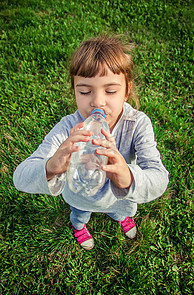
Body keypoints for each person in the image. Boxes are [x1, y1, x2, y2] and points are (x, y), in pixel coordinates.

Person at [13, 35, 169, 250]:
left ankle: (121, 217)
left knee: (119, 209)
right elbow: (20, 177)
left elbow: (159, 178)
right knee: (79, 214)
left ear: (127, 91)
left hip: (119, 198)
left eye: (111, 91)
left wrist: (127, 175)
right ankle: (79, 226)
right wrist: (52, 165)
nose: (97, 101)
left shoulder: (137, 124)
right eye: (85, 91)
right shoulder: (69, 128)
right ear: (74, 91)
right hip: (80, 198)